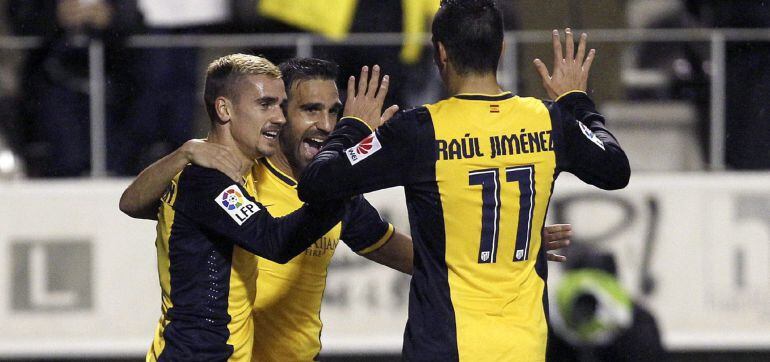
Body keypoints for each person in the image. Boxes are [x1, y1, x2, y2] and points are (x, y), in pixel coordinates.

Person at [120, 56, 575, 361]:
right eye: (307, 110)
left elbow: (413, 256)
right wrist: (184, 153)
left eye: (335, 113)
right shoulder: (234, 176)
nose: (324, 125)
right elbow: (138, 202)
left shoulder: (334, 201)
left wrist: (501, 250)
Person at [296, 0, 630, 360]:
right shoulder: (548, 120)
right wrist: (576, 102)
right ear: (502, 49)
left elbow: (316, 183)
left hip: (445, 344)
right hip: (524, 347)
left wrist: (353, 126)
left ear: (440, 52)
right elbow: (616, 169)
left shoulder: (419, 130)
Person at [139, 54, 349, 362]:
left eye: (280, 105)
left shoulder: (209, 175)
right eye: (266, 105)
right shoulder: (209, 182)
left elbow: (130, 202)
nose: (279, 117)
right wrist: (346, 179)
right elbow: (274, 240)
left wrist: (184, 152)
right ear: (225, 109)